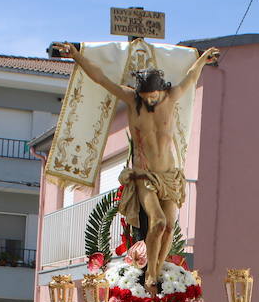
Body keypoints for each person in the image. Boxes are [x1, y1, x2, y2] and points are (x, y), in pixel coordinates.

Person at [52, 41, 219, 289]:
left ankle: (158, 268)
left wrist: (202, 59)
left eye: (152, 96)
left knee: (170, 226)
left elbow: (191, 76)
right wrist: (77, 56)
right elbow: (101, 79)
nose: (148, 101)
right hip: (145, 176)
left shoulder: (172, 97)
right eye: (144, 97)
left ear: (161, 90)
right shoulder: (132, 100)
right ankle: (151, 273)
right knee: (158, 222)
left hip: (170, 175)